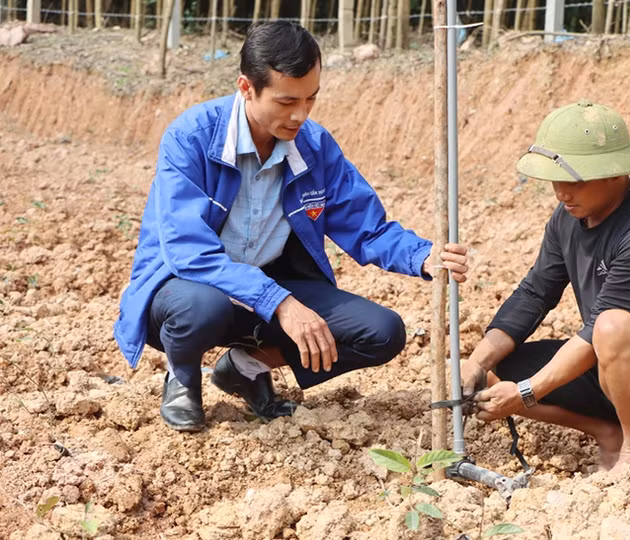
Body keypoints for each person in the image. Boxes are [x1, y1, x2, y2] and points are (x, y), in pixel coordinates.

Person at [114, 21, 468, 432]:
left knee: (381, 331)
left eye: (311, 98)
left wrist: (422, 255)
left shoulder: (314, 146)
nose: (300, 114)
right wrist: (280, 302)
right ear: (246, 88)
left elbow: (365, 227)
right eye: (286, 102)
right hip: (190, 289)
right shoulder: (191, 137)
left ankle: (244, 367)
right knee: (202, 308)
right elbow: (188, 251)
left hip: (270, 284)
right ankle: (183, 376)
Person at [461, 100, 630, 471]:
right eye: (556, 180)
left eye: (575, 181)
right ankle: (607, 431)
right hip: (610, 362)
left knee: (612, 326)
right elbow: (536, 292)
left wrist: (527, 391)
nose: (561, 193)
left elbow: (603, 324)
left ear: (616, 174)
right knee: (493, 370)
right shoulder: (567, 218)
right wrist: (475, 362)